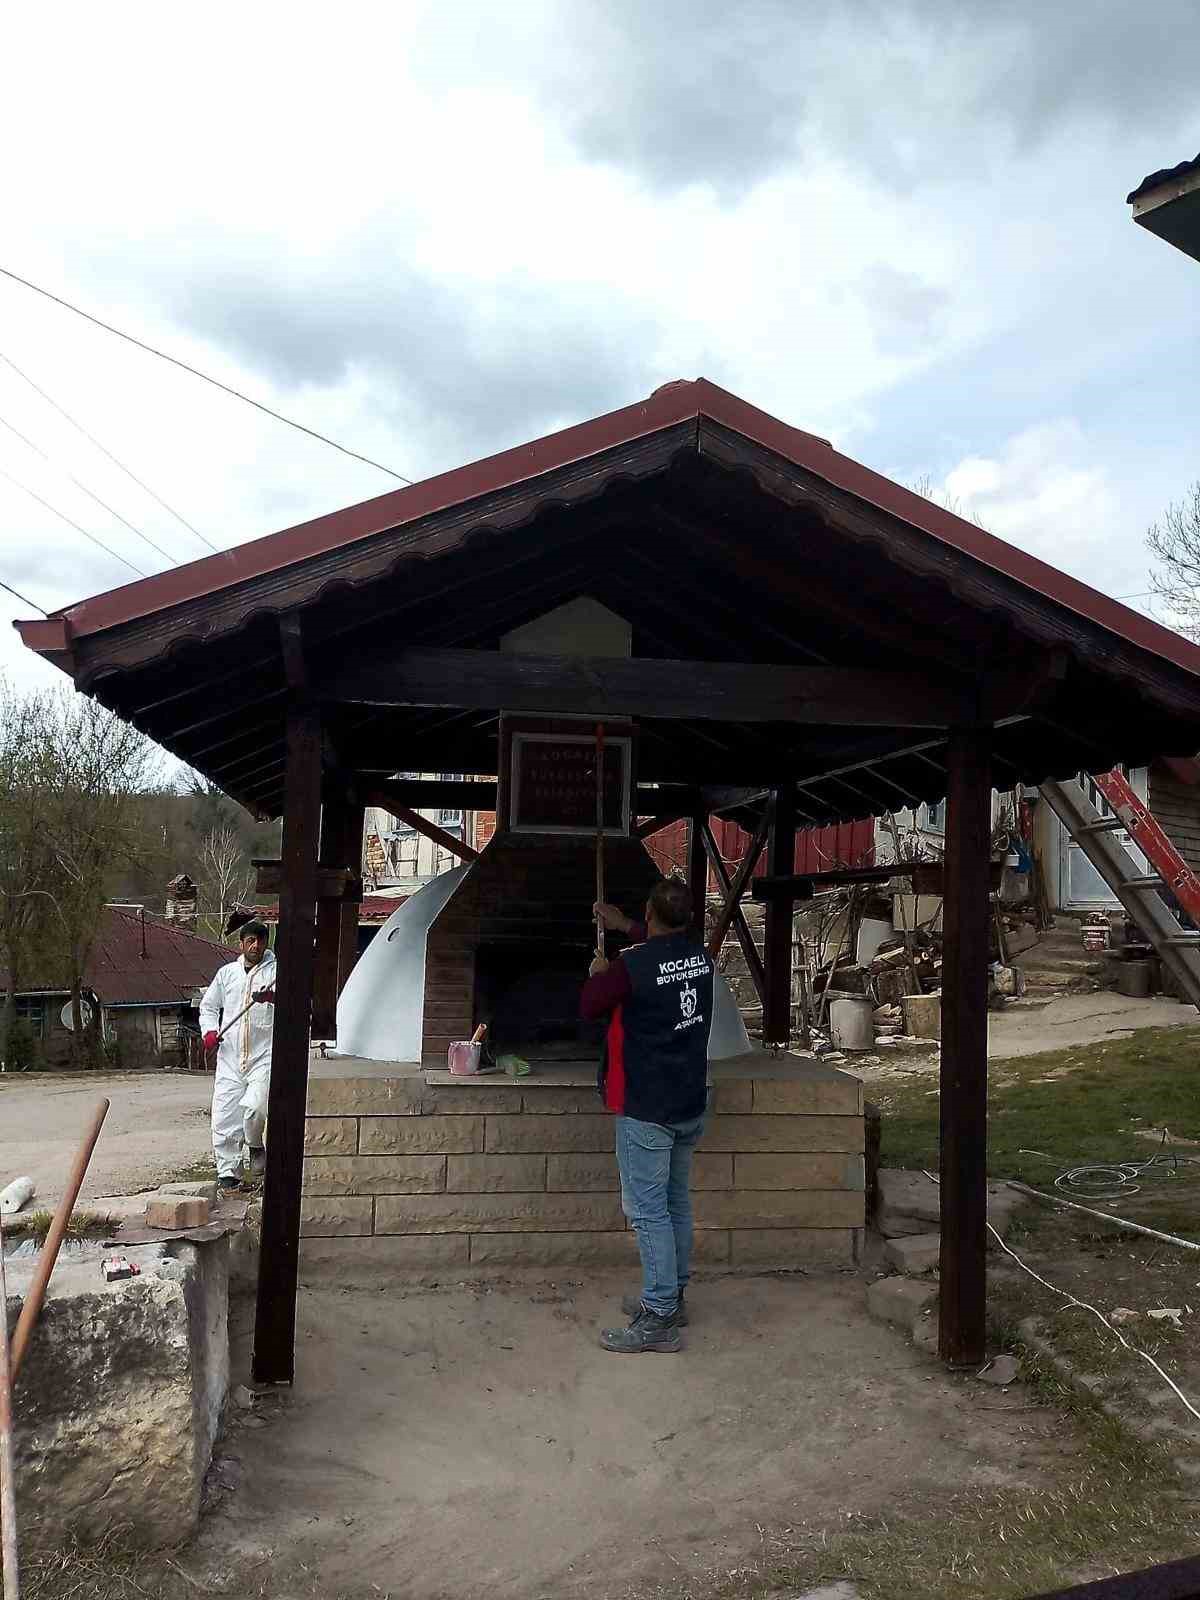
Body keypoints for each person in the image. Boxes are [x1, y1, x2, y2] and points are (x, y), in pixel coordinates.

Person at [581, 877, 714, 1354]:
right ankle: (672, 1296)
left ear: (651, 914)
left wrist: (600, 971)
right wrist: (623, 926)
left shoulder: (629, 967)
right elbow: (664, 955)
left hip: (647, 1107)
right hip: (688, 1101)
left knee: (647, 1211)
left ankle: (658, 1317)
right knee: (675, 1202)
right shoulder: (701, 957)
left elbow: (590, 1005)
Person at [199, 920, 277, 1192]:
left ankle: (256, 1146)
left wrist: (273, 998)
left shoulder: (277, 972)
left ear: (267, 943)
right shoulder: (227, 974)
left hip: (263, 1055)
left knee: (255, 1108)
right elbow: (208, 1007)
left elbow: (297, 1004)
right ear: (241, 943)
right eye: (250, 940)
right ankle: (228, 1174)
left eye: (260, 940)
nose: (255, 945)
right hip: (230, 1056)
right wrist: (210, 1031)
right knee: (224, 1115)